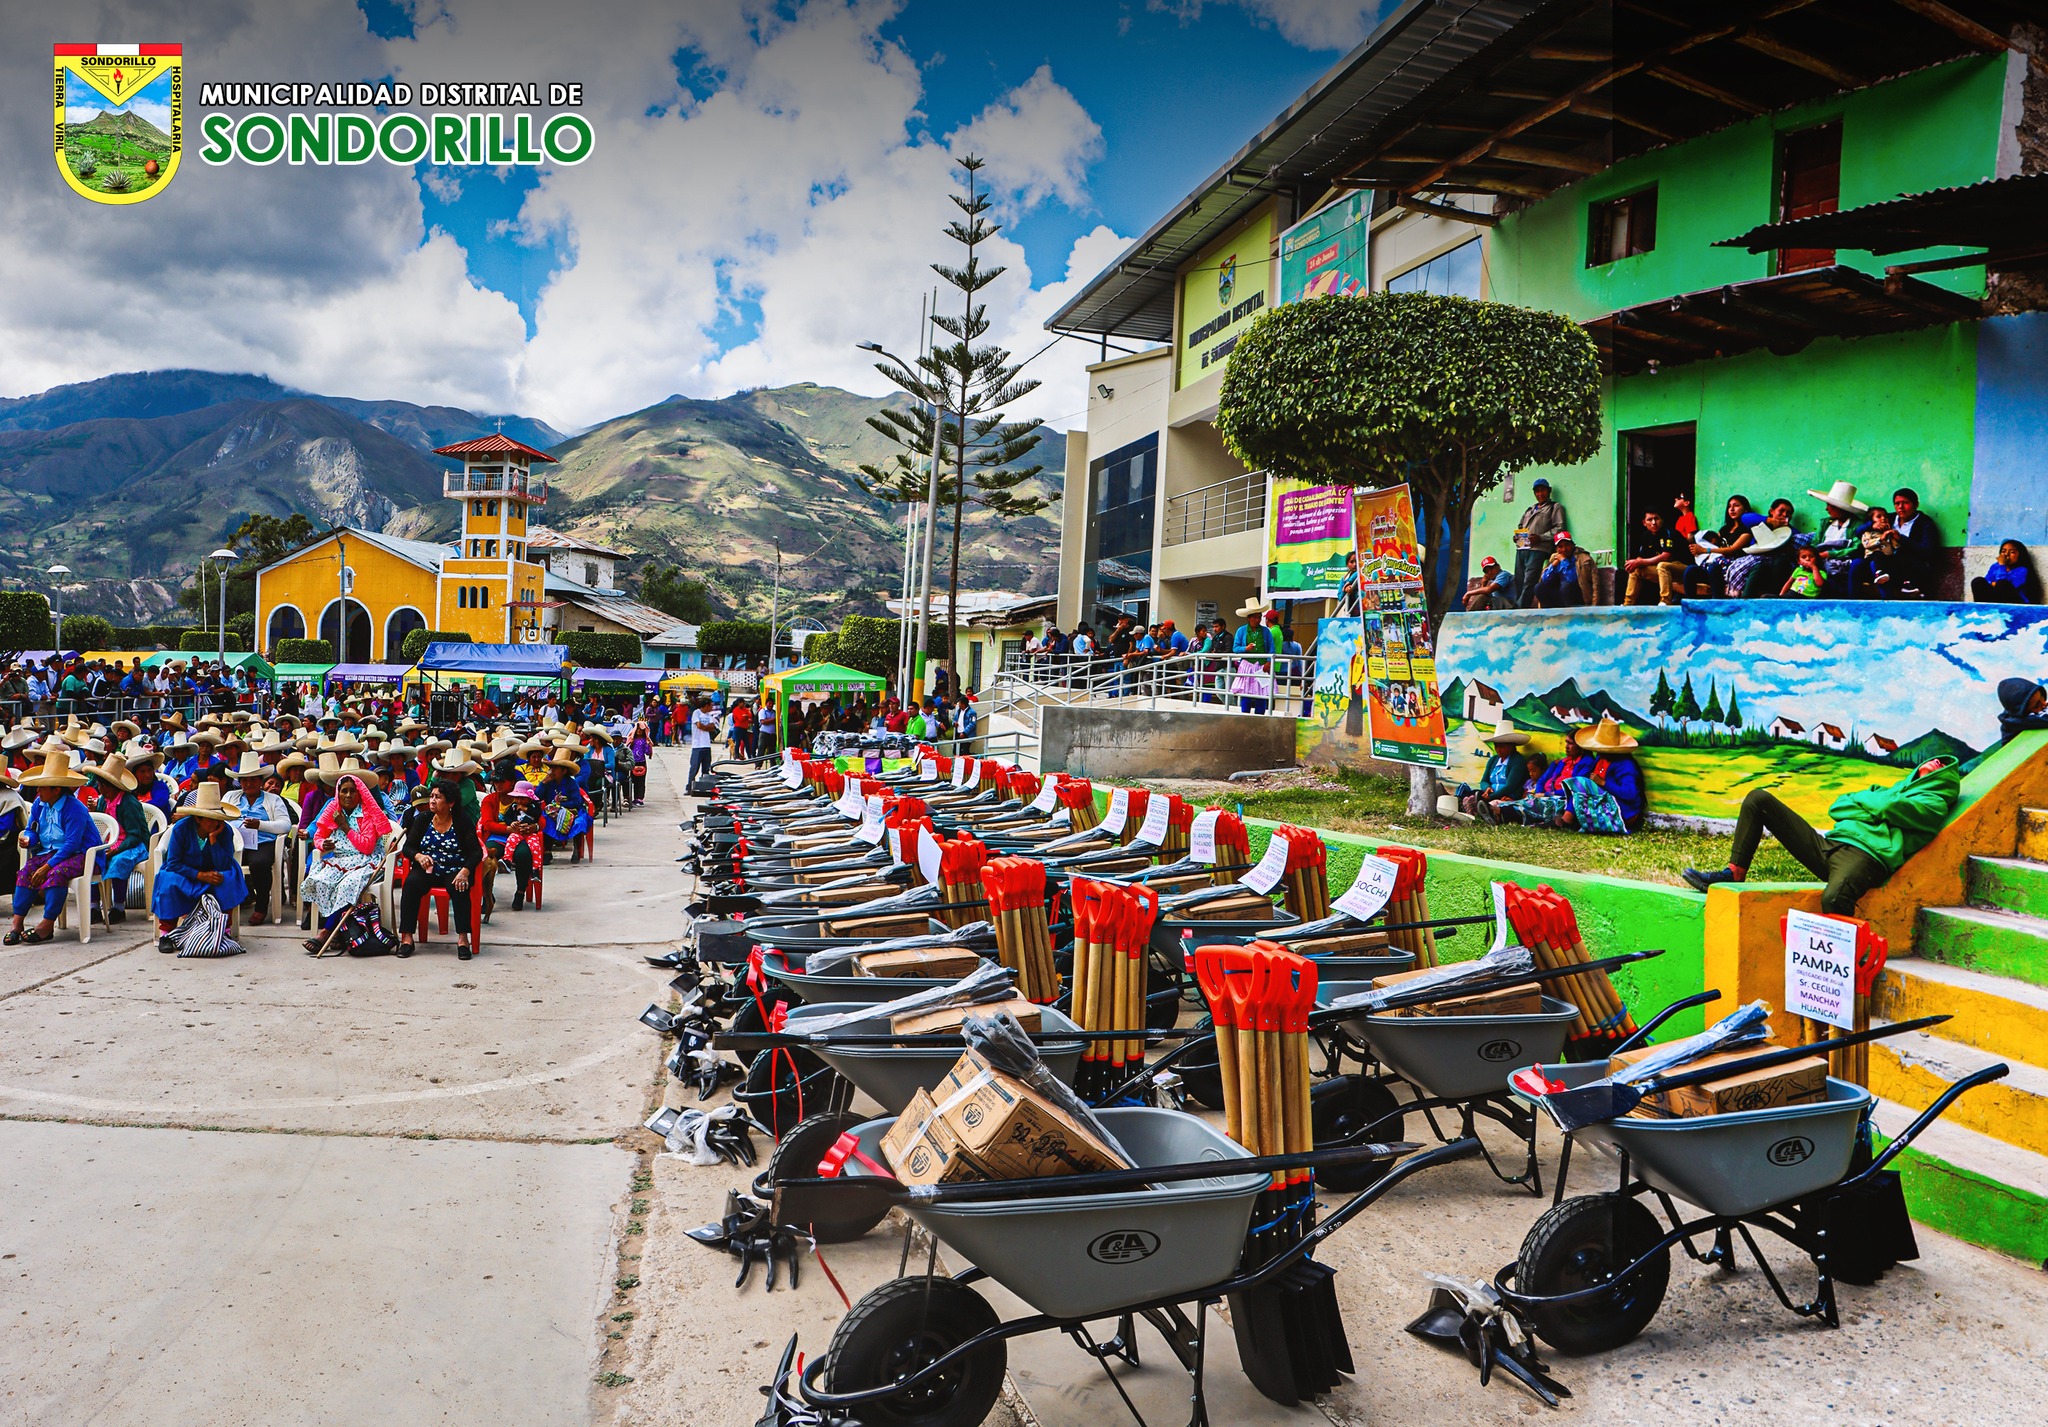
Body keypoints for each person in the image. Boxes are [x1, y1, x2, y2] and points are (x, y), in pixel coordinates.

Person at [1684, 756, 1963, 915]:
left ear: (1945, 781)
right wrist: (1877, 809)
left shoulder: (1934, 803)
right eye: (1936, 758)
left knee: (1833, 899)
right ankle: (1734, 872)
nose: (1938, 761)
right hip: (1829, 844)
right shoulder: (1890, 788)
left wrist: (1867, 804)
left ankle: (1846, 976)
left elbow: (1885, 806)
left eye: (1945, 766)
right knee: (1758, 799)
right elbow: (1838, 805)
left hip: (1865, 857)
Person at [6, 746, 99, 945]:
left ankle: (47, 925)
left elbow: (72, 844)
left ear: (56, 789)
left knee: (56, 873)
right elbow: (32, 828)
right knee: (26, 872)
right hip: (50, 852)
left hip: (80, 854)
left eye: (42, 786)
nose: (38, 791)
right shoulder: (40, 803)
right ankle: (17, 922)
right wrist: (29, 839)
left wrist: (47, 866)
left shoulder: (75, 809)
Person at [300, 770, 394, 952]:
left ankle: (326, 932)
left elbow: (366, 847)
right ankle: (340, 932)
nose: (348, 795)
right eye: (344, 791)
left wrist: (344, 826)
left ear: (360, 793)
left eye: (353, 791)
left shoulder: (367, 813)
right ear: (338, 792)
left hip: (366, 861)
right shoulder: (333, 810)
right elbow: (318, 837)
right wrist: (323, 844)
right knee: (321, 880)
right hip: (340, 861)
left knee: (347, 885)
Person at [149, 783, 250, 951]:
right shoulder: (181, 829)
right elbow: (173, 862)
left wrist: (213, 840)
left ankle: (223, 930)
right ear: (198, 818)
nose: (215, 822)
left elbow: (224, 863)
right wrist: (199, 875)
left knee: (228, 878)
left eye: (217, 818)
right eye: (210, 818)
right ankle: (166, 933)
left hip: (213, 872)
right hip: (185, 872)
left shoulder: (224, 831)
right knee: (167, 880)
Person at [396, 783, 483, 959]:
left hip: (454, 868)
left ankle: (463, 939)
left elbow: (476, 852)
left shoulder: (461, 820)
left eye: (438, 797)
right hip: (428, 869)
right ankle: (407, 938)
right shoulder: (423, 819)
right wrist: (419, 856)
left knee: (460, 887)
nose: (432, 800)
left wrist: (465, 871)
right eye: (432, 796)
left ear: (450, 803)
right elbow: (408, 848)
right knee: (411, 884)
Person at [223, 751, 291, 923]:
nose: (249, 783)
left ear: (260, 781)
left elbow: (285, 825)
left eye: (253, 779)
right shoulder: (231, 797)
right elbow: (220, 818)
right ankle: (225, 906)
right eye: (245, 780)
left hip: (262, 842)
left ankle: (261, 906)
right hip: (234, 842)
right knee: (217, 860)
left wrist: (260, 824)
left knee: (259, 863)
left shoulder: (273, 799)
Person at [83, 752, 150, 926]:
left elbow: (135, 834)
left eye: (101, 785)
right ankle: (94, 907)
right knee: (91, 860)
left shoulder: (128, 803)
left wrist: (115, 850)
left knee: (118, 861)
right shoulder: (104, 801)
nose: (99, 788)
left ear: (111, 786)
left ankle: (119, 908)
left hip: (132, 844)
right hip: (110, 842)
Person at [1550, 717, 1645, 834]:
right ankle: (1566, 819)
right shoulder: (1600, 759)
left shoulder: (1625, 765)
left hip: (1623, 812)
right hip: (1604, 804)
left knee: (1581, 785)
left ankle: (1567, 820)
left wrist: (1604, 783)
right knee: (1577, 786)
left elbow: (1630, 793)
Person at [1678, 495, 1760, 598]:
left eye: (1736, 506)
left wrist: (1705, 550)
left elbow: (1732, 549)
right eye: (1729, 506)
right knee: (1690, 570)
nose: (1732, 509)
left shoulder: (1746, 531)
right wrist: (1697, 550)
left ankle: (1716, 602)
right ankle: (1690, 606)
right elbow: (1714, 543)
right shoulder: (1724, 529)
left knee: (1713, 568)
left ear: (1745, 509)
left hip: (1732, 569)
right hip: (1715, 566)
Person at [1512, 477, 1568, 607]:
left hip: (1539, 549)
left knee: (1529, 581)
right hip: (1522, 548)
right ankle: (1517, 607)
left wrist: (1541, 537)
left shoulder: (1555, 507)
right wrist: (1517, 537)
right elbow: (1521, 526)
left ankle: (1521, 608)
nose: (1540, 494)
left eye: (1542, 491)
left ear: (1549, 491)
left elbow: (1559, 528)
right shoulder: (1530, 509)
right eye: (1537, 491)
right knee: (1519, 580)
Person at [1726, 499, 1797, 598]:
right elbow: (1745, 517)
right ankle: (1745, 601)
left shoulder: (1791, 531)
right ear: (1772, 511)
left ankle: (1773, 596)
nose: (1784, 514)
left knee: (1781, 560)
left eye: (1788, 513)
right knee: (1759, 567)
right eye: (1781, 511)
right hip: (1757, 563)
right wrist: (1769, 520)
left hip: (1776, 565)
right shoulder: (1761, 524)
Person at [1460, 720, 1530, 820]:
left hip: (1506, 797)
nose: (1498, 749)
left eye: (1502, 746)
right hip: (1491, 795)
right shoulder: (1493, 760)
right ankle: (1477, 806)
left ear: (1511, 746)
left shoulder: (1518, 761)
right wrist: (1487, 788)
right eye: (1496, 746)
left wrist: (1491, 796)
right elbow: (1484, 780)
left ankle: (1483, 810)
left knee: (1496, 804)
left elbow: (1510, 786)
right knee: (1470, 793)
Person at [1621, 509, 1690, 606]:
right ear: (1644, 523)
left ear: (1662, 520)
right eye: (1649, 520)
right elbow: (1641, 558)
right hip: (1664, 573)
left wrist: (1640, 562)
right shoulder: (1646, 536)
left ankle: (1665, 601)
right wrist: (1633, 563)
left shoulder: (1669, 532)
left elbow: (1666, 556)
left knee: (1663, 565)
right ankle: (1628, 604)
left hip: (1685, 570)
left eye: (1656, 519)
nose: (1654, 523)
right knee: (1636, 569)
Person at [1889, 487, 1942, 599]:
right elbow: (1863, 528)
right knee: (1860, 564)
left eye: (1905, 503)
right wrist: (1872, 525)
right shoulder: (1889, 518)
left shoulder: (1925, 523)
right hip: (1887, 561)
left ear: (1916, 505)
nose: (1900, 507)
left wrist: (1901, 538)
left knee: (1902, 553)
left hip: (1913, 565)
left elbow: (1927, 551)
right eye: (1897, 503)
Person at [1534, 531, 1596, 608]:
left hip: (1577, 598)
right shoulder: (1555, 559)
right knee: (1539, 587)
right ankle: (1549, 614)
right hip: (1560, 599)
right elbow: (1545, 580)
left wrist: (1564, 561)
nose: (1564, 549)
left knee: (1566, 586)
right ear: (1556, 549)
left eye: (1567, 545)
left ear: (1572, 545)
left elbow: (1571, 579)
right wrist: (1553, 566)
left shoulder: (1583, 559)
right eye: (1560, 546)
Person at [1973, 540, 2036, 605]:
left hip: (2014, 602)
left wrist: (2002, 566)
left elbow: (2006, 587)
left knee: (2002, 584)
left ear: (2020, 555)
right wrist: (1993, 583)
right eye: (2003, 551)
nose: (2006, 554)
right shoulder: (1995, 566)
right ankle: (1982, 610)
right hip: (1995, 599)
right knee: (1978, 581)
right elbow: (1987, 581)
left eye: (2012, 552)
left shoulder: (2022, 570)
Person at [1997, 678, 2048, 745]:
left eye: (2042, 697)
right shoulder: (2015, 722)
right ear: (2023, 711)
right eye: (2036, 705)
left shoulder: (2034, 710)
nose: (2044, 704)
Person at [686, 697, 717, 788]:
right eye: (711, 705)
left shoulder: (709, 715)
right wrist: (706, 727)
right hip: (697, 745)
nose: (712, 707)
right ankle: (689, 786)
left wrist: (705, 727)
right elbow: (699, 726)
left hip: (706, 745)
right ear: (706, 705)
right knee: (694, 767)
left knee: (706, 768)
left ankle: (704, 786)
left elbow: (712, 727)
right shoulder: (696, 713)